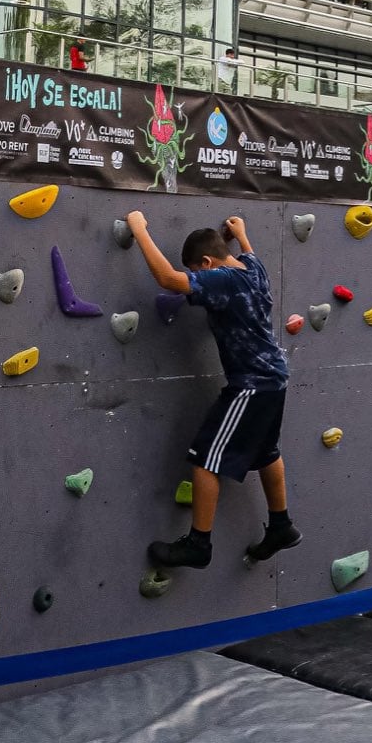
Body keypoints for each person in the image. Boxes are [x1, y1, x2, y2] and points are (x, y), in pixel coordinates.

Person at [126, 211, 297, 569]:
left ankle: (199, 544)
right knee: (266, 451)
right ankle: (280, 524)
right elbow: (247, 252)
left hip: (250, 384)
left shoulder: (222, 280)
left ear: (206, 263)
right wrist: (242, 234)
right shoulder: (254, 268)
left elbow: (169, 279)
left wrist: (140, 229)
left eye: (197, 270)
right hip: (274, 378)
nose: (196, 279)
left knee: (205, 459)